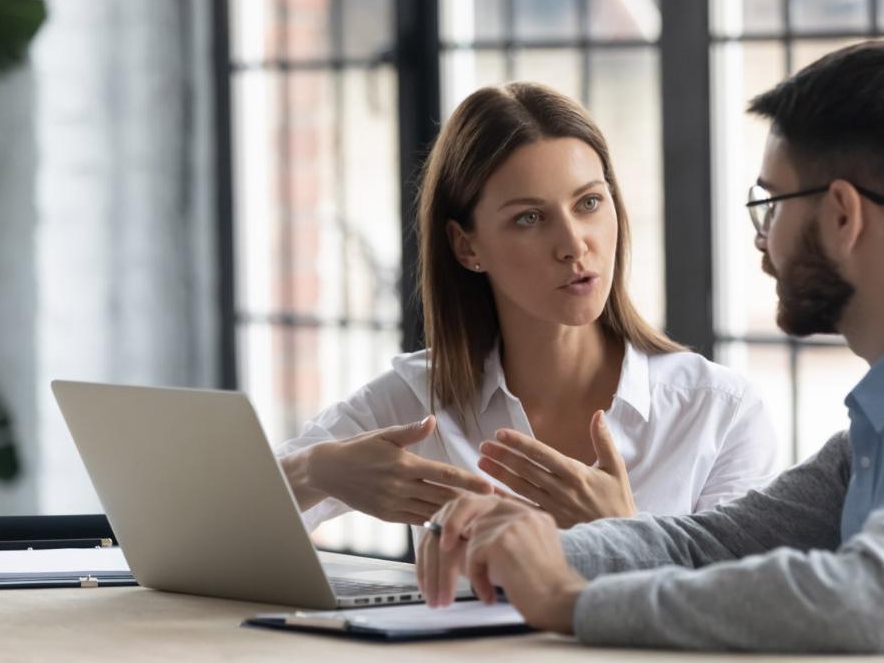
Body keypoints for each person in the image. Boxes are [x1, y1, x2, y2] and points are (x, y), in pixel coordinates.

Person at [415, 40, 884, 663]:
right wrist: (522, 544)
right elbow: (712, 544)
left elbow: (879, 594)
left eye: (771, 204)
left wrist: (573, 600)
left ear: (841, 214)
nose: (761, 238)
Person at [276, 82, 778, 534]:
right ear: (466, 247)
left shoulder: (718, 412)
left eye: (588, 203)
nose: (573, 244)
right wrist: (317, 472)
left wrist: (622, 531)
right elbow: (209, 519)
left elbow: (736, 611)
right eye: (530, 218)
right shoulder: (419, 402)